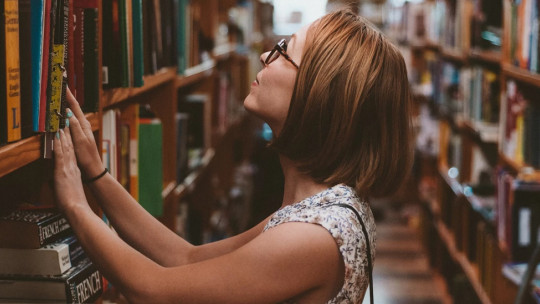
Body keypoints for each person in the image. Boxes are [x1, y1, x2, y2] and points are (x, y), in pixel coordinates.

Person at [53, 9, 413, 303]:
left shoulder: (313, 236)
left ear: (319, 93)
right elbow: (185, 258)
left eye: (284, 51)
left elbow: (152, 291)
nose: (264, 56)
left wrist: (74, 204)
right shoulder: (319, 208)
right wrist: (97, 175)